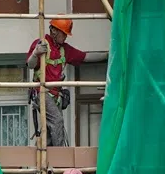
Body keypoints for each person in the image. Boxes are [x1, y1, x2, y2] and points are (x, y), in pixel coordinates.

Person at [26, 18, 107, 147]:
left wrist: (109, 55)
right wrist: (36, 53)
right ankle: (60, 157)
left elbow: (85, 57)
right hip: (42, 92)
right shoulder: (42, 44)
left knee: (50, 129)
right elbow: (30, 65)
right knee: (57, 121)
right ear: (53, 31)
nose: (65, 37)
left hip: (55, 95)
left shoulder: (64, 49)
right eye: (63, 33)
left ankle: (43, 161)